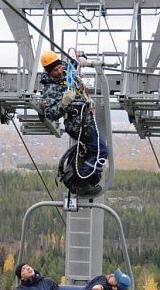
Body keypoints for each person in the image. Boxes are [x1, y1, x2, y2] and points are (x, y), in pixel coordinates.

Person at [40, 50, 109, 197]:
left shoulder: (68, 70)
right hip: (78, 124)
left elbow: (75, 60)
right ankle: (82, 183)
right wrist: (64, 103)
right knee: (101, 151)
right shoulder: (50, 89)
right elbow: (51, 114)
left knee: (94, 151)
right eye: (55, 71)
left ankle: (88, 179)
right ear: (49, 72)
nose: (59, 72)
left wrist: (82, 58)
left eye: (59, 68)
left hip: (86, 120)